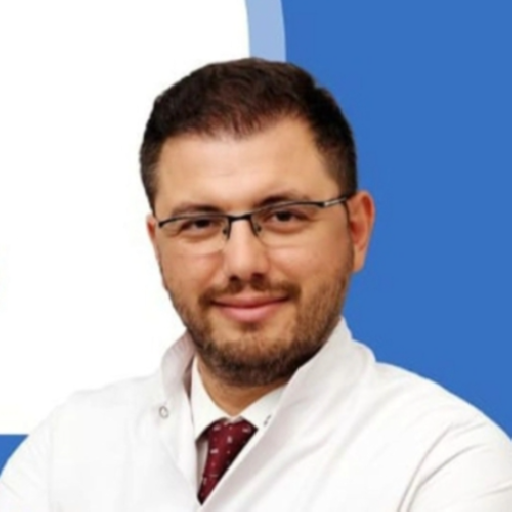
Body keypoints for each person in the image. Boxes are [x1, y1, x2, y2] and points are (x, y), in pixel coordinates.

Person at [1, 58, 511, 512]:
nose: (243, 263)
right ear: (158, 245)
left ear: (356, 231)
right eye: (200, 223)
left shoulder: (448, 460)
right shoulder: (65, 451)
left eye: (284, 215)